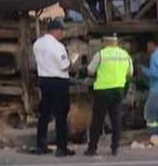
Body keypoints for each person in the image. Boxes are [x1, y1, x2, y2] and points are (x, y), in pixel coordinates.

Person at [32, 20, 75, 156]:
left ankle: (41, 145)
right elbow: (64, 66)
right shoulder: (58, 46)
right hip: (59, 82)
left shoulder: (37, 44)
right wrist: (72, 60)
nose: (62, 34)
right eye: (61, 31)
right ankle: (61, 147)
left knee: (44, 114)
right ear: (55, 31)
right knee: (61, 114)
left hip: (44, 80)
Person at [85, 34, 133, 156]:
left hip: (103, 91)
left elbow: (90, 71)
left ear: (105, 42)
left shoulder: (101, 54)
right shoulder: (125, 54)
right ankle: (115, 148)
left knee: (97, 120)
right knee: (116, 120)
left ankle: (92, 148)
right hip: (118, 91)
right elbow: (130, 73)